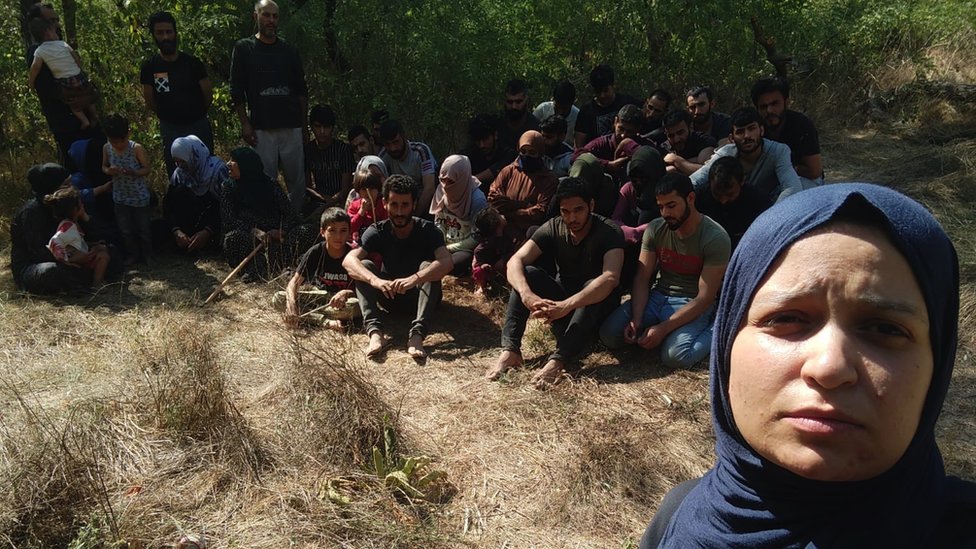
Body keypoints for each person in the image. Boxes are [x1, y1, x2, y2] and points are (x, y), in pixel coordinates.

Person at [638, 183, 976, 548]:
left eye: (884, 328)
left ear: (937, 363)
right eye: (786, 318)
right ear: (726, 348)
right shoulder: (676, 515)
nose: (829, 367)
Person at [487, 178, 625, 388]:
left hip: (597, 308)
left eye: (578, 210)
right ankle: (511, 351)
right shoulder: (553, 227)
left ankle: (559, 360)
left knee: (593, 286)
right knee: (528, 274)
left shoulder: (610, 232)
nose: (572, 217)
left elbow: (610, 278)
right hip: (563, 303)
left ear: (592, 206)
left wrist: (566, 305)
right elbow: (516, 261)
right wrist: (527, 294)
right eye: (565, 211)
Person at [600, 172, 730, 368]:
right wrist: (636, 319)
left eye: (671, 206)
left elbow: (705, 297)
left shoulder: (715, 237)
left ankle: (718, 328)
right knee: (609, 335)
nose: (666, 213)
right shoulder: (656, 229)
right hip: (659, 295)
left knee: (675, 356)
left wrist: (663, 328)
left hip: (691, 301)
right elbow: (643, 278)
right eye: (661, 207)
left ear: (690, 199)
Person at [343, 174, 453, 361]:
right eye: (394, 205)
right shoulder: (378, 230)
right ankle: (375, 333)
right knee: (365, 266)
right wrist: (375, 280)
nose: (400, 212)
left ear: (414, 204)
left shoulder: (428, 230)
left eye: (405, 205)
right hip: (389, 296)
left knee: (429, 267)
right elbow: (349, 260)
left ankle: (417, 336)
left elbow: (446, 262)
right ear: (385, 203)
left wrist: (415, 278)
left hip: (421, 296)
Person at [230, 0, 309, 211]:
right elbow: (236, 90)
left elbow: (302, 90)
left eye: (275, 16)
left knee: (297, 180)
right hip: (261, 129)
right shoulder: (244, 49)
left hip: (291, 126)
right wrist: (245, 124)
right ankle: (269, 222)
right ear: (255, 16)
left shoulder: (289, 51)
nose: (271, 20)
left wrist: (303, 126)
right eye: (266, 15)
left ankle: (297, 221)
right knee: (264, 179)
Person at [10, 163, 123, 294]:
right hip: (40, 264)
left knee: (111, 252)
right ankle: (80, 281)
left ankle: (85, 280)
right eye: (66, 184)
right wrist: (71, 258)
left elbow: (95, 236)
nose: (71, 187)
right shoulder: (31, 212)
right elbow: (37, 252)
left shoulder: (70, 201)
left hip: (75, 253)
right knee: (50, 271)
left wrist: (84, 217)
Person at [221, 147, 316, 282]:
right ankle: (255, 270)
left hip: (278, 242)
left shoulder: (270, 185)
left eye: (233, 160)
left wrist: (281, 231)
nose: (228, 164)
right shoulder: (228, 188)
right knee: (232, 238)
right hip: (251, 244)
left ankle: (288, 265)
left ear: (246, 165)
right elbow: (229, 221)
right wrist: (253, 231)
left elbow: (290, 213)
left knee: (308, 231)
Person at [140, 11, 214, 176]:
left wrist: (197, 114)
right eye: (160, 33)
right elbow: (150, 100)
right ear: (153, 36)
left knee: (205, 170)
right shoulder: (149, 67)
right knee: (178, 174)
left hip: (198, 125)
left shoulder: (193, 63)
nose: (165, 37)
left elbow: (208, 94)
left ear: (175, 33)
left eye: (169, 31)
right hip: (170, 128)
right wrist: (168, 116)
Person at [25, 3, 97, 163]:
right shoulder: (38, 52)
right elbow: (47, 90)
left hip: (85, 122)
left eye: (57, 19)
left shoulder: (61, 46)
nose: (57, 24)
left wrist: (88, 92)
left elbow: (79, 67)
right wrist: (79, 95)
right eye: (51, 21)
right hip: (68, 126)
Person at [691, 107, 802, 204]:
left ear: (761, 130)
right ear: (731, 138)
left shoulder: (778, 151)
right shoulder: (725, 153)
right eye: (740, 132)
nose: (747, 136)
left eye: (752, 128)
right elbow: (696, 180)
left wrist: (770, 218)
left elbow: (792, 187)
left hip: (766, 207)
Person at [281, 208, 358, 330]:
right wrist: (291, 304)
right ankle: (325, 322)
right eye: (332, 230)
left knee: (355, 306)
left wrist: (346, 293)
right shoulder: (316, 252)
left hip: (343, 303)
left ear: (349, 232)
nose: (338, 236)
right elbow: (293, 283)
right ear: (322, 232)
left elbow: (363, 291)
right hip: (319, 297)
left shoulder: (354, 255)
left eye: (343, 231)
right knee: (278, 298)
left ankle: (308, 317)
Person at [487, 130, 559, 244]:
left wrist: (508, 213)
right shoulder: (509, 171)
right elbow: (493, 198)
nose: (526, 156)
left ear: (540, 153)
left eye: (532, 152)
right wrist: (523, 205)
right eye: (523, 151)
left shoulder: (548, 179)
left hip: (528, 237)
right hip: (502, 231)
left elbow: (539, 212)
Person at [752, 76, 823, 187]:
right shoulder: (753, 128)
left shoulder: (802, 125)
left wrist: (783, 168)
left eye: (775, 104)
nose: (769, 110)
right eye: (763, 107)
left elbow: (814, 172)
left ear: (786, 103)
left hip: (803, 180)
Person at [28, 18, 97, 130]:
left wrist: (31, 82)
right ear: (48, 34)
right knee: (88, 97)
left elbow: (35, 67)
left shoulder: (39, 51)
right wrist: (81, 70)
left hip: (65, 83)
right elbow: (75, 57)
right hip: (79, 77)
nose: (56, 34)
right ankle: (94, 116)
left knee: (73, 105)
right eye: (54, 31)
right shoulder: (63, 44)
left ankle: (84, 121)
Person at [102, 113, 152, 266]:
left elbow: (147, 169)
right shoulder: (107, 148)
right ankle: (132, 255)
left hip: (138, 196)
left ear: (128, 133)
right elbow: (104, 166)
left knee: (143, 229)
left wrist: (134, 172)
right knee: (126, 230)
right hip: (120, 196)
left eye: (121, 140)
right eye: (113, 141)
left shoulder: (135, 148)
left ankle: (148, 255)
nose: (118, 145)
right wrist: (109, 171)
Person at [693, 156, 771, 250]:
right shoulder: (699, 199)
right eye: (717, 194)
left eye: (730, 195)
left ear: (742, 182)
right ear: (709, 183)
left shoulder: (759, 201)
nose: (723, 200)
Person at [165, 135, 226, 253]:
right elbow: (169, 205)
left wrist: (208, 231)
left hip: (214, 225)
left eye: (182, 161)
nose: (179, 165)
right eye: (176, 162)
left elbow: (227, 206)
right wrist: (177, 231)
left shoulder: (217, 170)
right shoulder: (179, 174)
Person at [430, 155, 488, 275]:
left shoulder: (477, 200)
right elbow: (439, 221)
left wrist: (448, 248)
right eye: (442, 180)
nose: (445, 186)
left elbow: (477, 237)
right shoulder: (441, 190)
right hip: (445, 243)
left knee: (456, 264)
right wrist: (440, 244)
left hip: (465, 248)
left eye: (451, 181)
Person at [43, 187, 111, 286]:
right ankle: (97, 282)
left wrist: (92, 244)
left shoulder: (72, 224)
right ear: (75, 209)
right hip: (79, 259)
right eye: (80, 204)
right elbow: (54, 241)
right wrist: (68, 260)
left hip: (82, 252)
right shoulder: (67, 227)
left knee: (102, 248)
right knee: (104, 256)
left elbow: (76, 240)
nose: (83, 205)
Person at [377, 119, 438, 214]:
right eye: (388, 144)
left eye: (396, 142)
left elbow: (429, 188)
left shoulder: (420, 152)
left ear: (404, 137)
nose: (393, 148)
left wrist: (415, 217)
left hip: (424, 207)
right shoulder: (384, 156)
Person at [572, 104, 647, 179]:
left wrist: (629, 145)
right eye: (621, 129)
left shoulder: (643, 144)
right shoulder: (603, 142)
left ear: (638, 129)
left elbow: (653, 160)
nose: (623, 135)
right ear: (616, 122)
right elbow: (577, 156)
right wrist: (608, 165)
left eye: (629, 132)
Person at [575, 64, 641, 148]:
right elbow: (579, 146)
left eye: (606, 91)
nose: (602, 95)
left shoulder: (627, 102)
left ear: (613, 85)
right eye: (598, 92)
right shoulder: (587, 111)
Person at [305, 104, 354, 212]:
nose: (322, 131)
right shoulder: (308, 150)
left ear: (332, 127)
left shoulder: (343, 150)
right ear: (312, 127)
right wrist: (324, 200)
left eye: (326, 127)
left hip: (342, 202)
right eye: (318, 126)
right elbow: (307, 186)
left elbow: (345, 189)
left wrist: (330, 203)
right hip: (318, 200)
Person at [462, 113, 516, 190]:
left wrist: (471, 180)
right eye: (478, 140)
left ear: (495, 135)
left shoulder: (508, 154)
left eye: (485, 139)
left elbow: (497, 169)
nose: (482, 145)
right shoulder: (471, 152)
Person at [656, 110, 716, 176]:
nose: (676, 140)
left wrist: (676, 160)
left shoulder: (704, 141)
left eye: (680, 133)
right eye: (671, 136)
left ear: (690, 127)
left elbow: (705, 172)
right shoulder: (663, 147)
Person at [471, 207, 515, 295]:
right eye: (499, 215)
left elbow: (512, 251)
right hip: (490, 271)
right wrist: (483, 266)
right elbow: (477, 262)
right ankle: (482, 286)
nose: (503, 216)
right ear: (496, 224)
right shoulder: (483, 247)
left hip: (504, 267)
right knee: (478, 271)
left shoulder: (507, 236)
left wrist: (503, 260)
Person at [497, 78, 541, 151]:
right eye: (510, 102)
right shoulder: (497, 126)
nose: (514, 106)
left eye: (518, 102)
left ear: (526, 101)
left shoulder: (535, 128)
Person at [347, 167, 387, 245]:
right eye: (364, 189)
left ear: (378, 189)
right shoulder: (354, 206)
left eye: (372, 189)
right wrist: (361, 211)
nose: (368, 192)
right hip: (358, 244)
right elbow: (350, 228)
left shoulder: (383, 205)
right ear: (358, 191)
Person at [532, 80, 578, 146]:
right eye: (557, 107)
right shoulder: (543, 109)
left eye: (565, 109)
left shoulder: (577, 116)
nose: (560, 112)